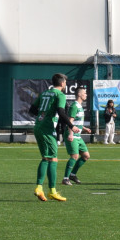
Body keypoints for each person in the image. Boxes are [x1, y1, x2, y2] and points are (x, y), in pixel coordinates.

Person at [30, 73, 75, 202]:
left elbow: (32, 109)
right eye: (65, 82)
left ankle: (42, 188)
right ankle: (51, 191)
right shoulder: (59, 95)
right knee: (53, 159)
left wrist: (43, 115)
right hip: (47, 129)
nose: (65, 84)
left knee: (47, 158)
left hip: (38, 126)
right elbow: (61, 112)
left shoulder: (45, 93)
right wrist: (71, 126)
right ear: (62, 83)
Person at [62, 86, 92, 186]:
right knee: (74, 156)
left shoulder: (79, 106)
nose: (86, 94)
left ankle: (72, 174)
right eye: (85, 93)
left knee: (86, 156)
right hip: (72, 135)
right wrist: (70, 134)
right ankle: (65, 178)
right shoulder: (74, 106)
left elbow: (76, 121)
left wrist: (84, 128)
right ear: (79, 94)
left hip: (78, 135)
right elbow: (70, 121)